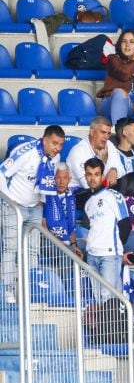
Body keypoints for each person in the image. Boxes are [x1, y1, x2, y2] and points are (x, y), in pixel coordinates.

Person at [0, 126, 64, 301]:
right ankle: (7, 290)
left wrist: (41, 201)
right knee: (10, 248)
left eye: (60, 144)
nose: (57, 148)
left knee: (32, 251)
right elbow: (2, 173)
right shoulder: (25, 152)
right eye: (54, 143)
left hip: (35, 207)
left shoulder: (55, 157)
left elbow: (47, 180)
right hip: (15, 207)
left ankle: (31, 289)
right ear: (45, 140)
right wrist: (9, 200)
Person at [83, 158, 128, 302]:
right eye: (89, 174)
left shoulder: (114, 196)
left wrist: (118, 250)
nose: (92, 178)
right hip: (92, 255)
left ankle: (117, 325)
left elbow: (126, 224)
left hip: (109, 255)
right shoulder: (88, 203)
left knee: (109, 298)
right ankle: (107, 325)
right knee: (99, 298)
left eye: (96, 174)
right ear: (85, 176)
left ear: (102, 176)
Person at [66, 116, 117, 190]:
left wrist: (114, 169)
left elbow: (120, 170)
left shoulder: (109, 144)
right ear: (92, 132)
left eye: (108, 133)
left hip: (98, 191)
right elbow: (89, 185)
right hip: (77, 193)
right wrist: (103, 162)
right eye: (103, 132)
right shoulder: (78, 151)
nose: (106, 137)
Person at [42, 165, 78, 254]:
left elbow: (72, 226)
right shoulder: (46, 195)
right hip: (50, 241)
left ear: (69, 179)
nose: (61, 182)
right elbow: (43, 225)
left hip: (67, 240)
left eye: (65, 178)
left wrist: (73, 245)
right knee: (69, 252)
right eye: (58, 178)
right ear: (54, 179)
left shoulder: (71, 196)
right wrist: (58, 242)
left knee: (86, 247)